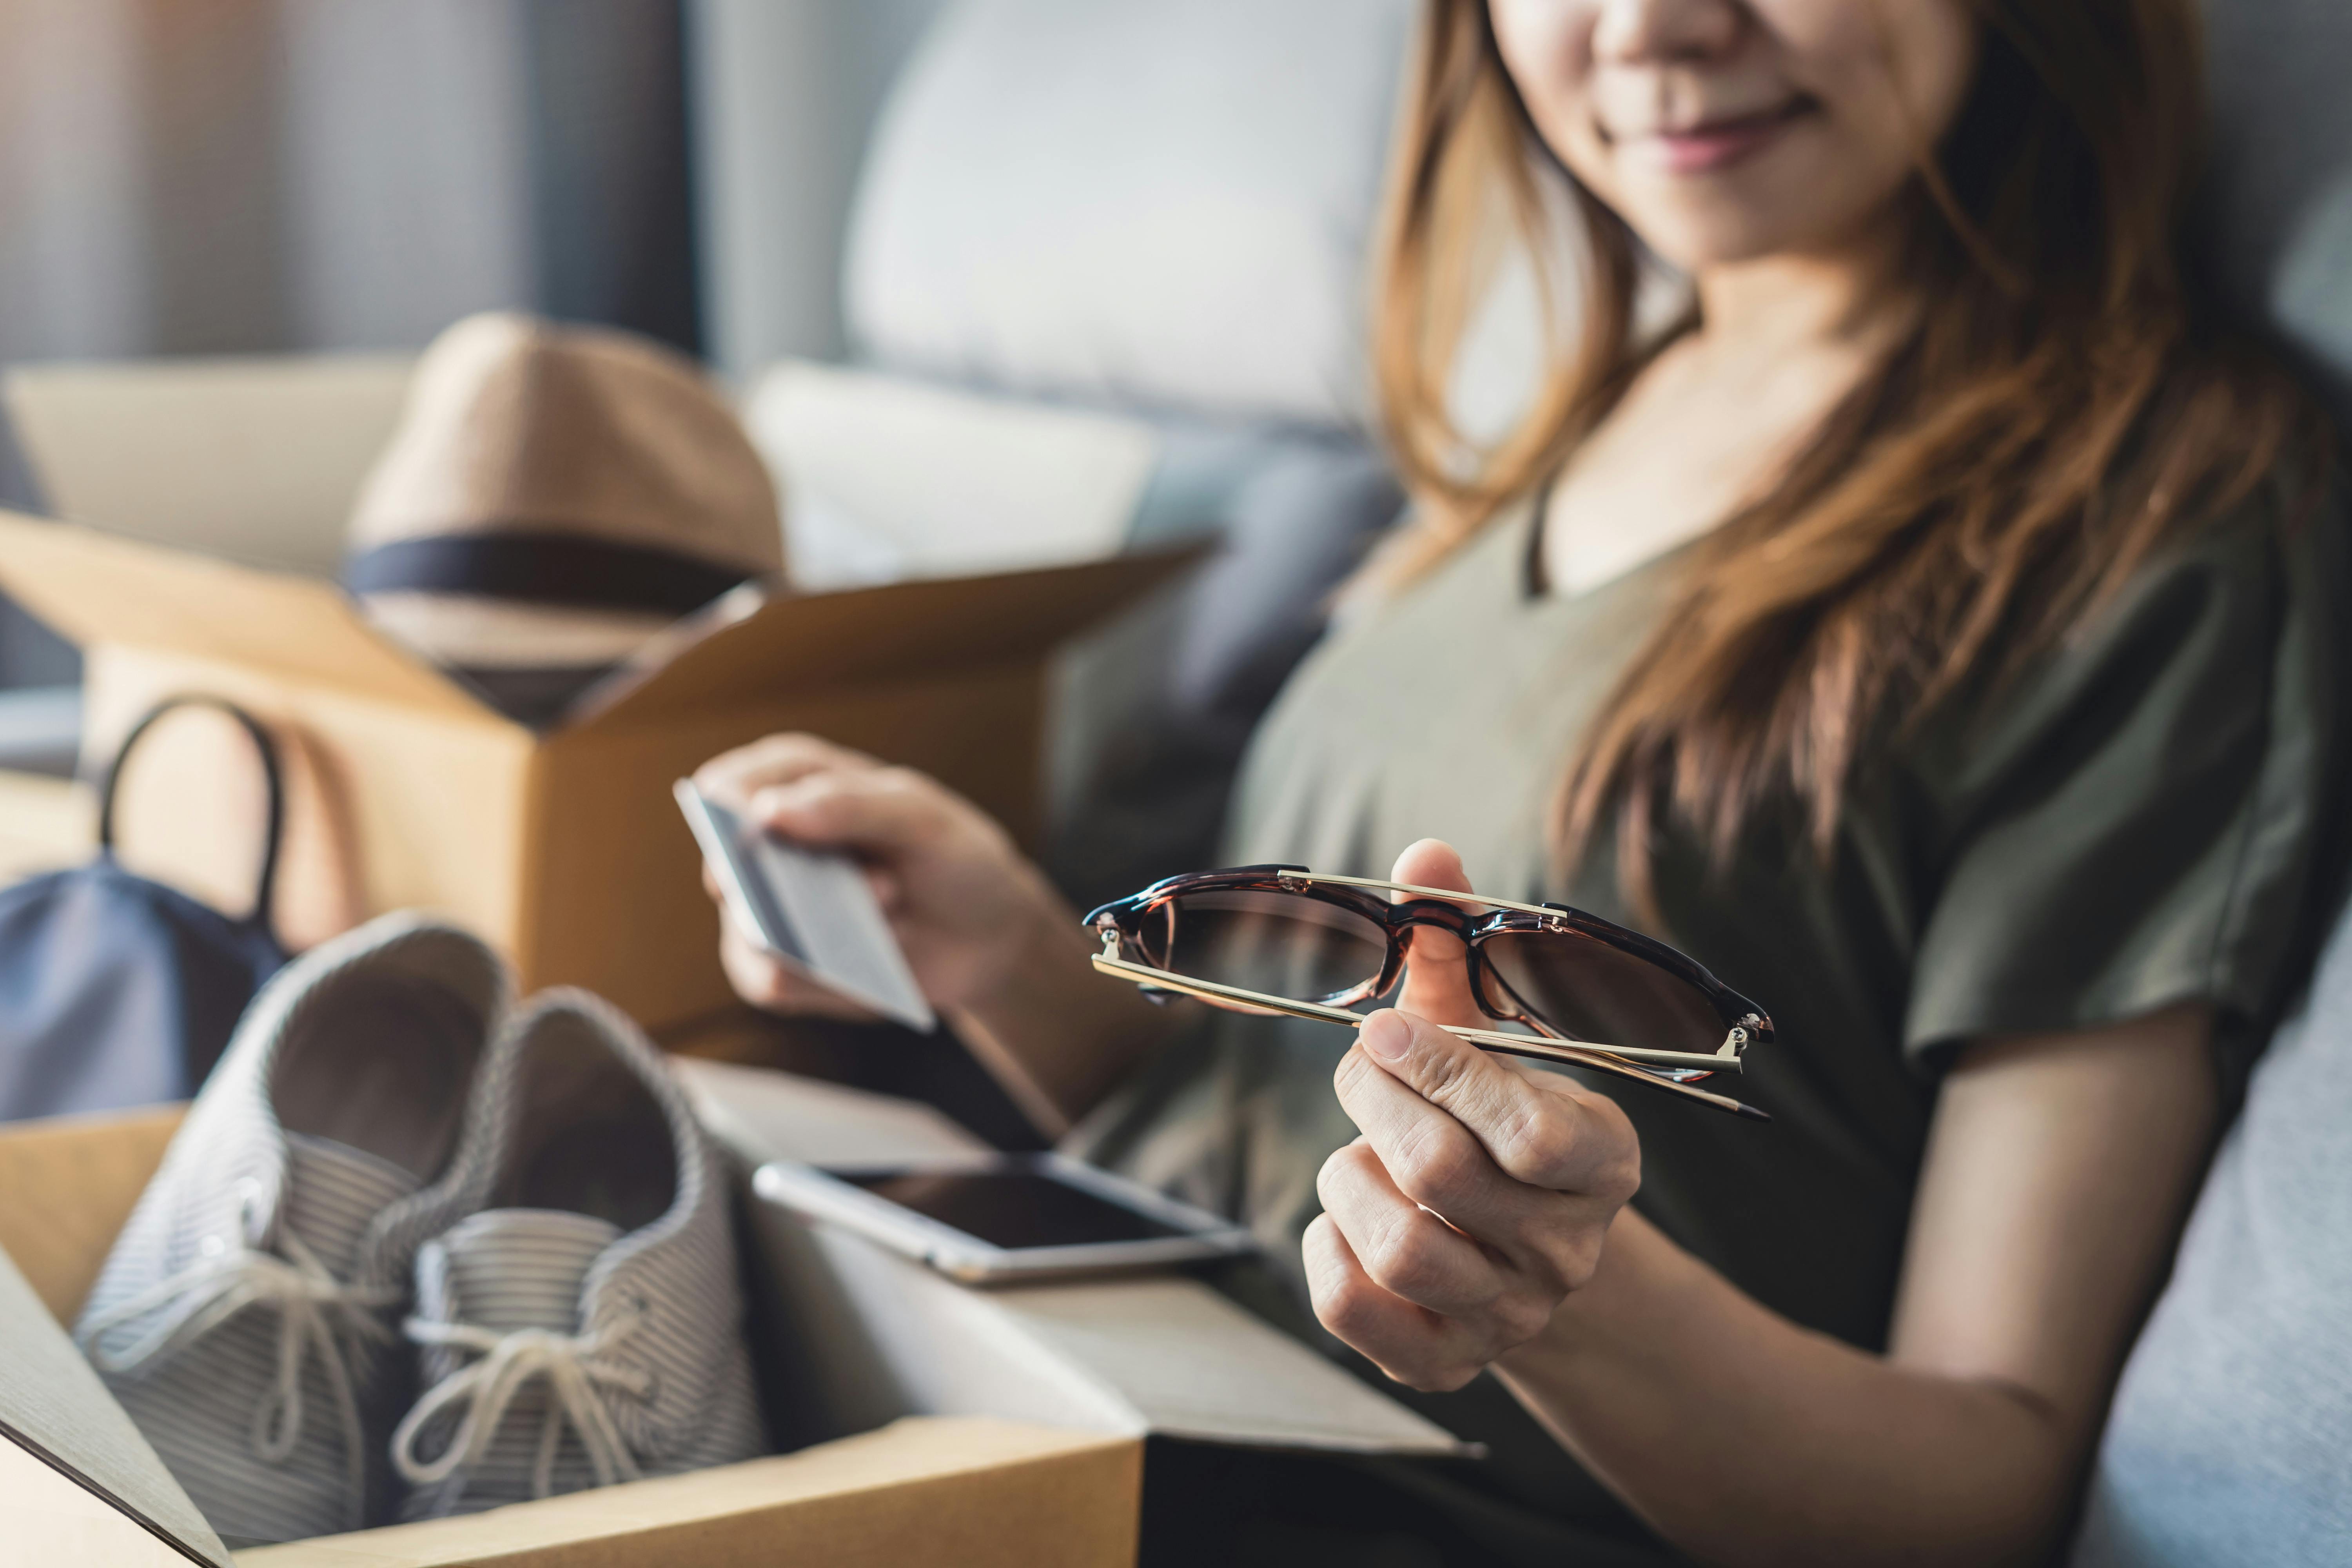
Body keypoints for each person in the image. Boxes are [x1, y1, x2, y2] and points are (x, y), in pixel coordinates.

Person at [697, 0, 2345, 1561]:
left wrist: (1565, 1298)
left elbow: (1994, 1473)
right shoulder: (1560, 428)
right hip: (1074, 1374)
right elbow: (1292, 1134)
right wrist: (1017, 964)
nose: (1647, 30)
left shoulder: (2149, 524)